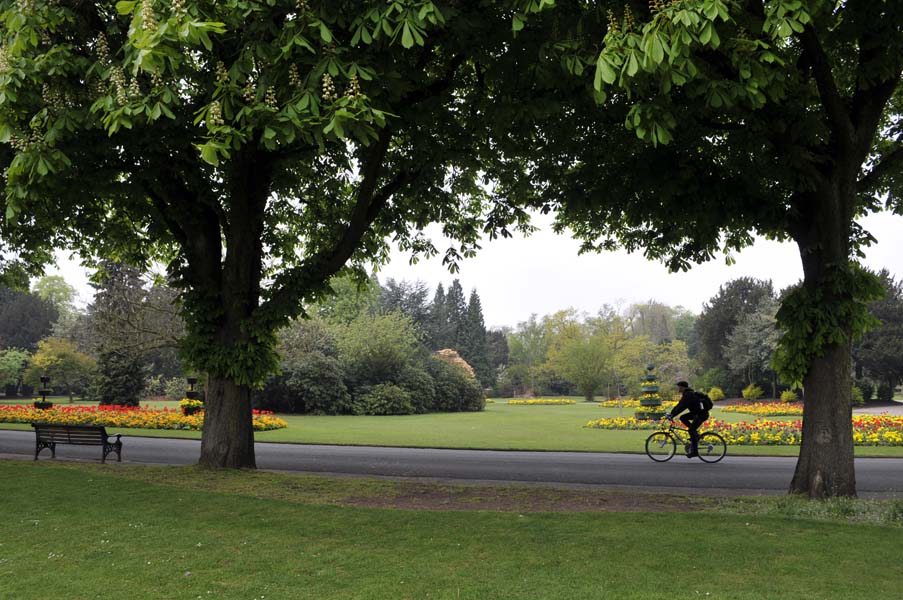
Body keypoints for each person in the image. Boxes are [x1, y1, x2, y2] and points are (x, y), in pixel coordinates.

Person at [665, 381, 709, 457]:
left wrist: (673, 415)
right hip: (696, 413)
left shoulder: (689, 395)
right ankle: (696, 435)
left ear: (683, 387)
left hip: (701, 415)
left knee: (691, 430)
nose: (678, 388)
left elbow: (682, 407)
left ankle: (695, 452)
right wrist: (671, 414)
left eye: (679, 387)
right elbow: (679, 405)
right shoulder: (686, 394)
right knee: (683, 418)